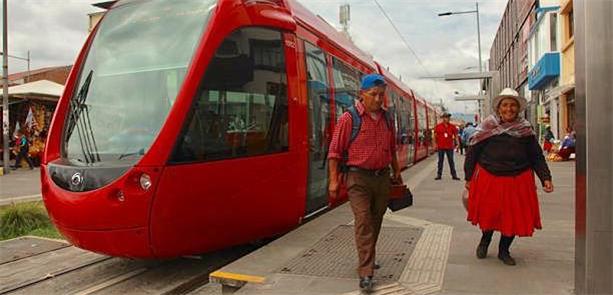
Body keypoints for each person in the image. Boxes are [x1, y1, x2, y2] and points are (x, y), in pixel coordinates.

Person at [327, 73, 402, 292]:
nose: (379, 99)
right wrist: (333, 180)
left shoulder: (388, 118)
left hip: (382, 177)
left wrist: (396, 171)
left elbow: (391, 148)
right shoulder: (349, 118)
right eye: (374, 95)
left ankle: (368, 257)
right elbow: (334, 151)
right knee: (363, 221)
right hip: (357, 178)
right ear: (362, 95)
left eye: (381, 95)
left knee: (376, 219)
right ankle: (366, 272)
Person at [464, 88, 554, 266]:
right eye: (505, 105)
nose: (509, 109)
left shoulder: (525, 130)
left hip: (518, 179)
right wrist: (468, 178)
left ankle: (504, 251)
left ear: (518, 108)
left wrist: (546, 177)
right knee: (490, 215)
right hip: (490, 178)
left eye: (513, 105)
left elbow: (536, 156)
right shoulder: (487, 127)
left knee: (513, 218)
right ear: (498, 108)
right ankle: (485, 241)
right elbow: (472, 153)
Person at [434, 112, 460, 180]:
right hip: (441, 146)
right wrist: (435, 144)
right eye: (446, 117)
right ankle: (439, 175)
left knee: (451, 161)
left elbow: (456, 135)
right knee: (440, 161)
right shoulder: (438, 126)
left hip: (449, 146)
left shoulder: (452, 126)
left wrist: (457, 143)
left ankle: (454, 175)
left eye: (448, 117)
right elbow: (435, 136)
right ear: (443, 118)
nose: (447, 119)